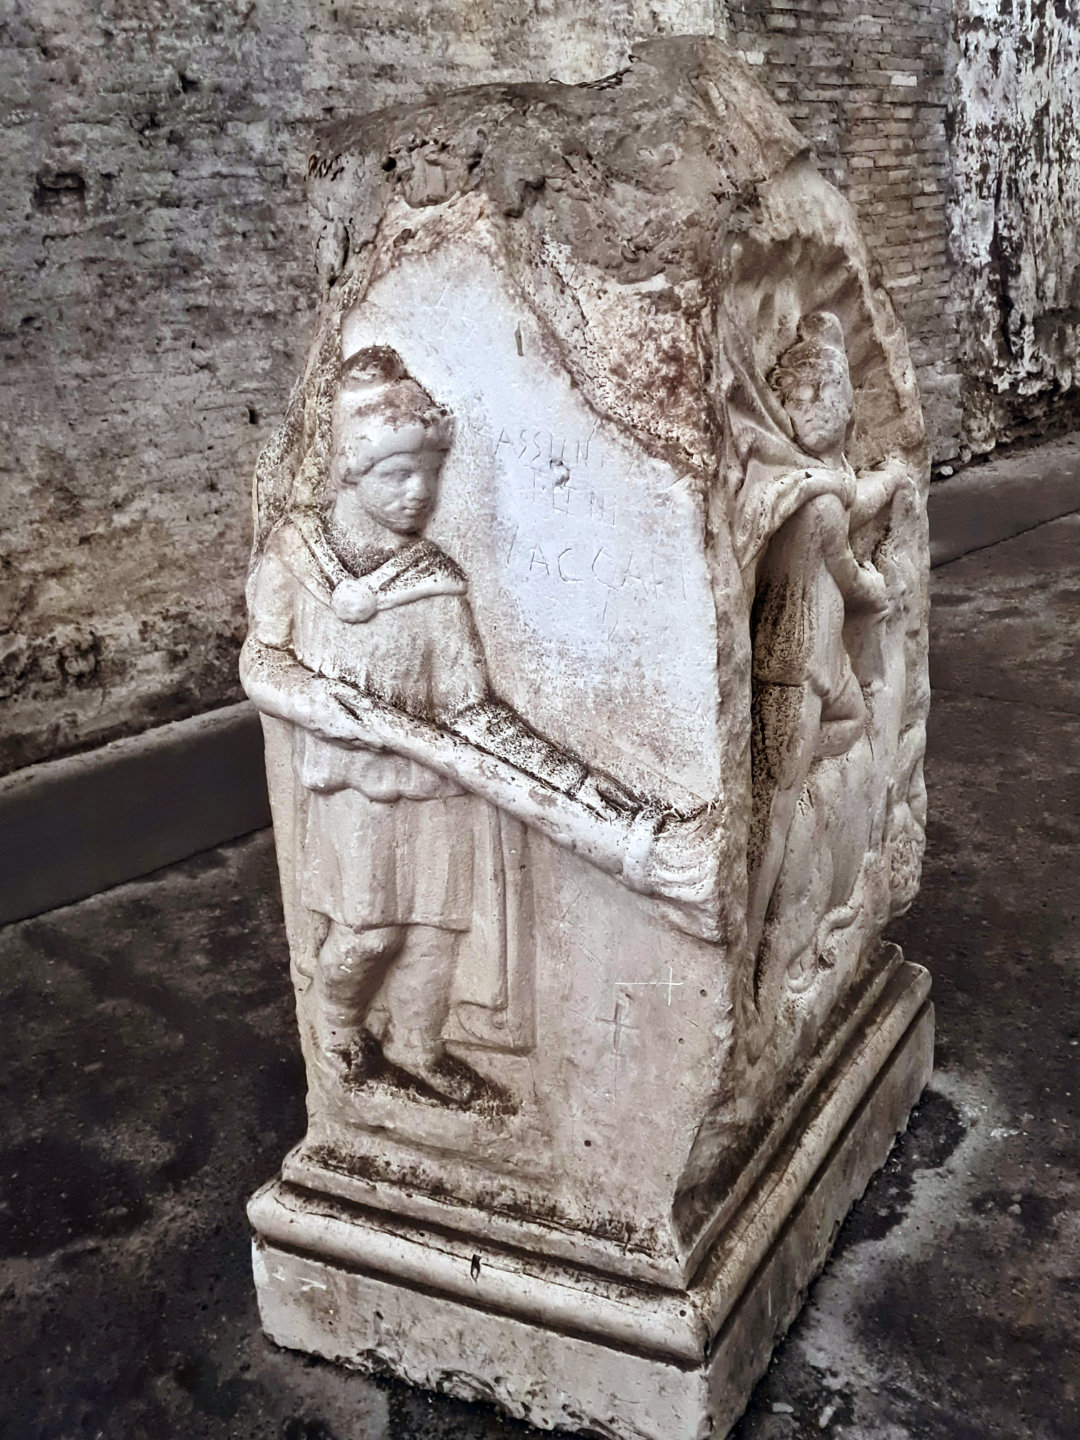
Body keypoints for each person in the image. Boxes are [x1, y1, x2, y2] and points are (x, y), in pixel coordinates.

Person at [242, 347, 643, 1103]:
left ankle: (421, 1050)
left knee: (434, 934)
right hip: (354, 788)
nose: (419, 492)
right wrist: (322, 704)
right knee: (368, 932)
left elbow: (469, 708)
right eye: (397, 474)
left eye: (430, 473)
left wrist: (573, 779)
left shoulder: (435, 582)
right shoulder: (297, 557)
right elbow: (261, 663)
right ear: (350, 473)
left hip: (435, 784)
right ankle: (339, 1032)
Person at [745, 312, 902, 973]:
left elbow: (853, 497)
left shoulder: (820, 482)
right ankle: (749, 944)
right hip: (792, 662)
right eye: (796, 398)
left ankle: (806, 792)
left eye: (821, 397)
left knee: (856, 720)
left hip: (822, 659)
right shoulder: (808, 495)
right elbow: (848, 574)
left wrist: (891, 479)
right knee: (774, 810)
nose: (807, 411)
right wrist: (877, 587)